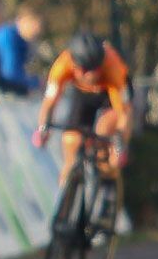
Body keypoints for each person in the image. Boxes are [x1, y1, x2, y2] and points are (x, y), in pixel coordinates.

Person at [33, 32, 133, 220]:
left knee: (104, 132)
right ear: (75, 64)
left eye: (94, 69)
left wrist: (119, 143)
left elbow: (124, 114)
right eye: (84, 69)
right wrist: (43, 128)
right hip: (83, 96)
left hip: (110, 97)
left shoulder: (113, 67)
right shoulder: (62, 65)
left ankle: (107, 190)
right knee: (71, 139)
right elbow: (50, 101)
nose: (90, 74)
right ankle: (66, 195)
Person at [0, 5, 45, 96]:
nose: (37, 30)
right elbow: (10, 74)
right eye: (33, 24)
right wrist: (37, 83)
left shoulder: (23, 41)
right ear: (21, 20)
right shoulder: (8, 36)